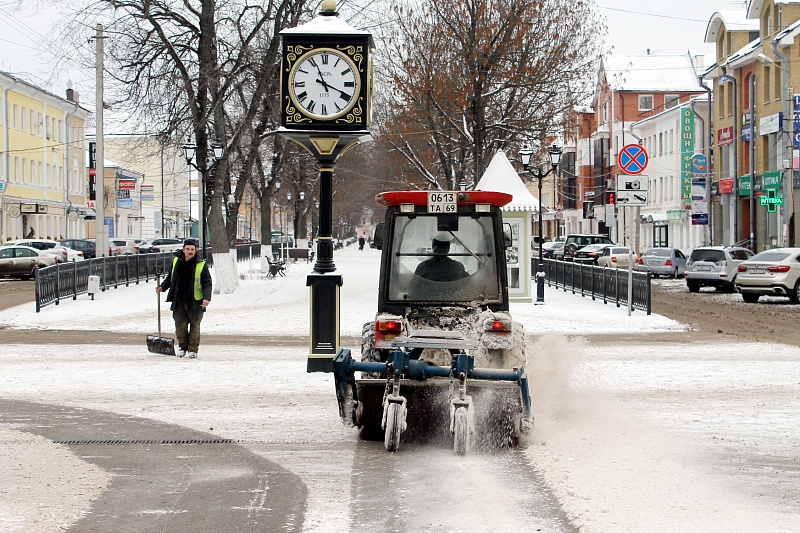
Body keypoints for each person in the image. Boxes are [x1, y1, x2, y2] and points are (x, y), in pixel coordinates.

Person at [156, 239, 212, 358]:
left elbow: (207, 283)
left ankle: (193, 350)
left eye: (192, 249)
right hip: (179, 299)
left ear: (195, 250)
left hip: (195, 301)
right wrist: (162, 287)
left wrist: (206, 298)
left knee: (194, 326)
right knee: (180, 325)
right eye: (187, 249)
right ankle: (182, 347)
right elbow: (170, 277)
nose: (190, 251)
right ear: (183, 250)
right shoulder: (177, 261)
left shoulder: (201, 264)